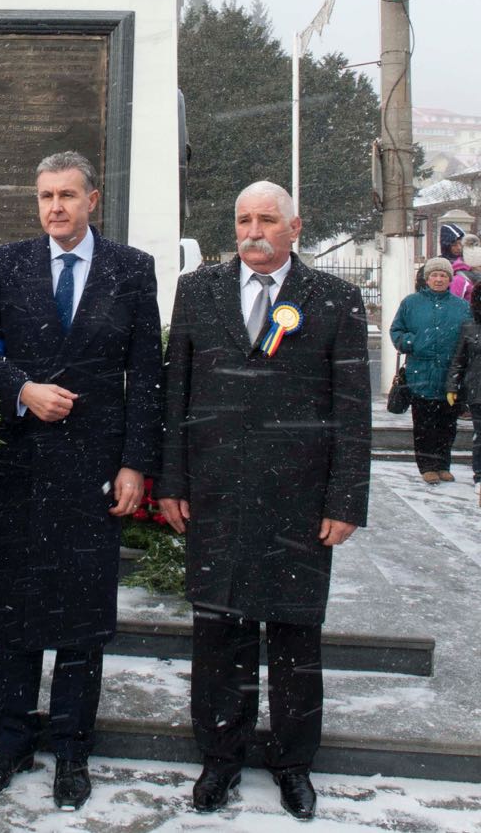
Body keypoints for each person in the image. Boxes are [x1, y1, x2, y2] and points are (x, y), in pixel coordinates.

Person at [158, 181, 371, 823]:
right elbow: (176, 394)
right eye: (244, 219)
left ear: (295, 227)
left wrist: (346, 499)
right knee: (217, 635)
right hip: (217, 495)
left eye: (267, 220)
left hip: (299, 501)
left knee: (294, 638)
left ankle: (292, 763)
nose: (253, 231)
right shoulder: (198, 291)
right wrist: (173, 482)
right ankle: (220, 757)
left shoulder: (335, 299)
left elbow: (352, 411)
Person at [0, 151, 162, 810]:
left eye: (68, 195)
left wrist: (136, 463)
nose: (55, 207)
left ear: (92, 199)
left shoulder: (131, 271)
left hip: (92, 469)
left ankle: (73, 751)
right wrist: (21, 388)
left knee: (81, 619)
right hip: (22, 463)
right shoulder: (10, 262)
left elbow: (148, 375)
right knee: (18, 615)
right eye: (46, 195)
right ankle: (13, 740)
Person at [390, 257, 472, 486]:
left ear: (449, 279)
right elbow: (397, 331)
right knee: (424, 423)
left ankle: (443, 464)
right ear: (427, 278)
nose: (438, 279)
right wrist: (412, 343)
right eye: (434, 275)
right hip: (421, 373)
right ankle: (426, 466)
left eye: (443, 276)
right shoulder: (411, 303)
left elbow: (470, 336)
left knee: (448, 423)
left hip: (451, 375)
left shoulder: (462, 307)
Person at [446, 279, 481, 507]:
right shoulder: (470, 326)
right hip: (478, 389)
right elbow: (459, 360)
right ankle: (479, 474)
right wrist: (452, 385)